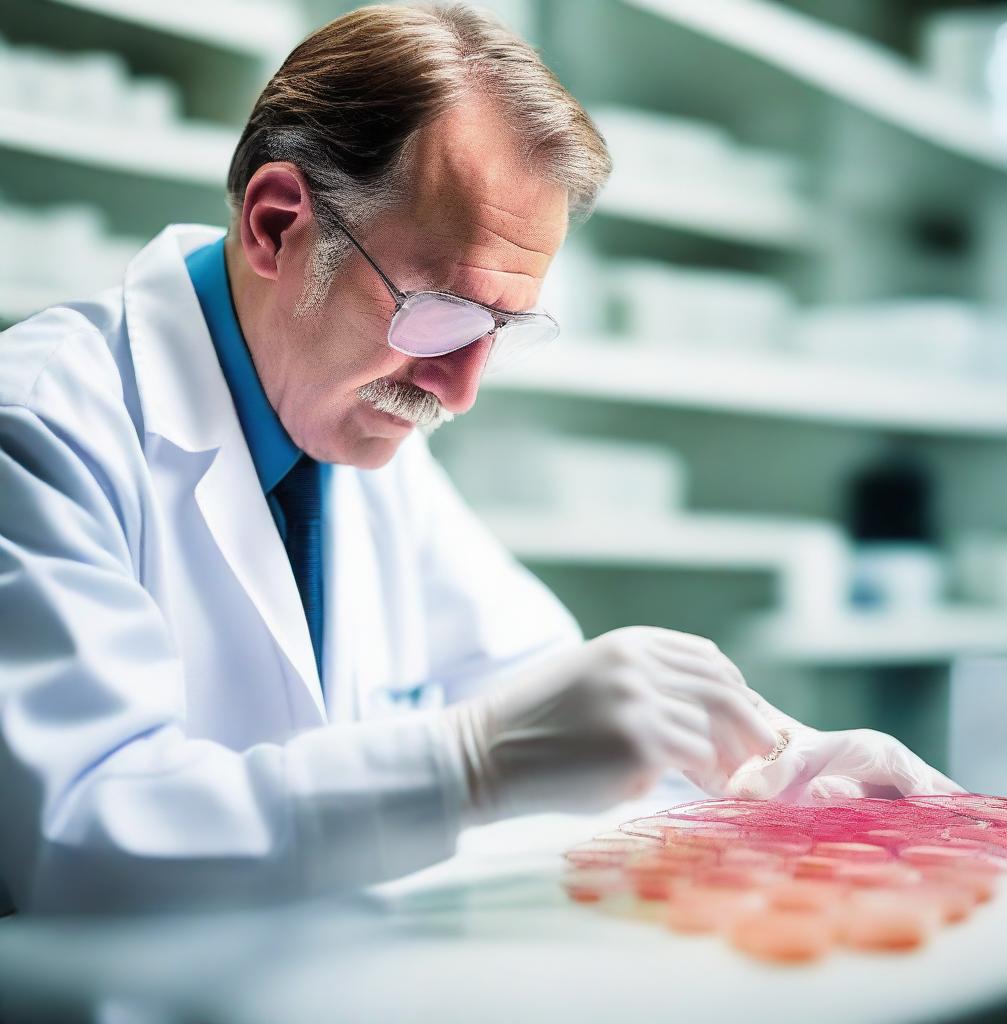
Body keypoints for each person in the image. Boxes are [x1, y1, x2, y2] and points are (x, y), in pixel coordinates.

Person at [0, 3, 958, 915]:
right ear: (277, 224)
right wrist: (467, 765)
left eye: (500, 327)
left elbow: (540, 691)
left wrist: (774, 765)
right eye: (443, 313)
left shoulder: (357, 424)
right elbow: (76, 835)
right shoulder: (43, 427)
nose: (459, 388)